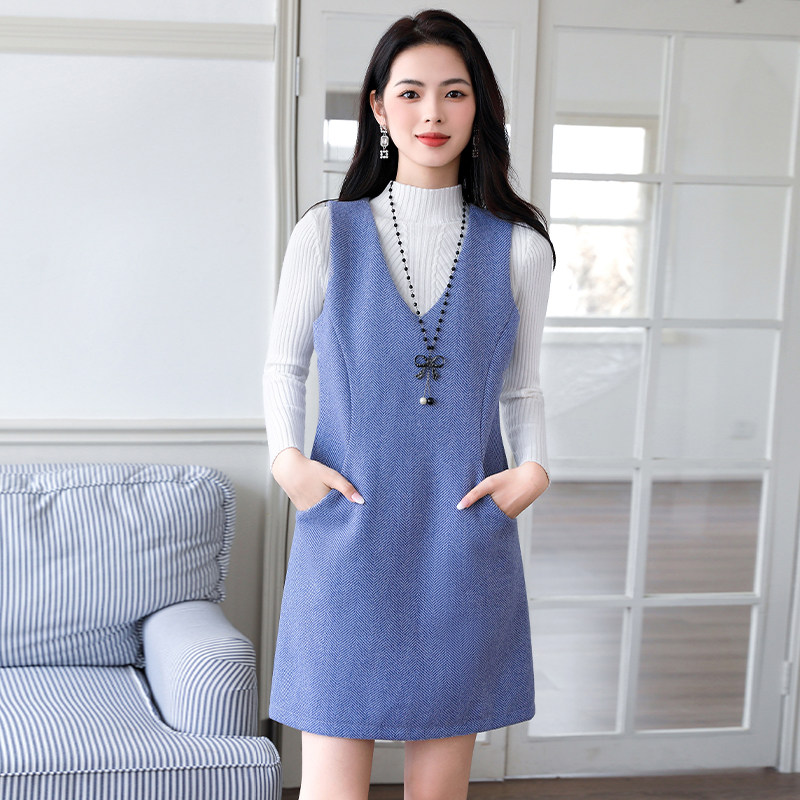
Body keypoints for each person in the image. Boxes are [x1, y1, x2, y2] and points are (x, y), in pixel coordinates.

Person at [263, 8, 555, 799]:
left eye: (454, 92)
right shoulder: (325, 234)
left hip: (460, 539)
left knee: (439, 790)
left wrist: (533, 471)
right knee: (331, 787)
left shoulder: (520, 248)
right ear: (379, 107)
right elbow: (284, 365)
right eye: (412, 92)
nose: (433, 112)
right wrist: (290, 466)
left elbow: (523, 386)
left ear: (480, 106)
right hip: (347, 533)